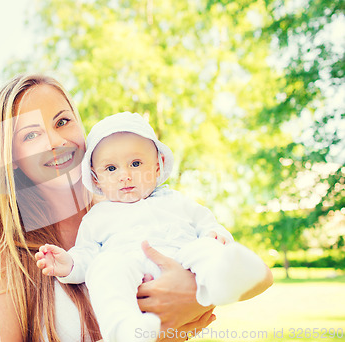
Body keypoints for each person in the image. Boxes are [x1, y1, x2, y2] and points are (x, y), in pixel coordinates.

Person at [0, 73, 229, 342]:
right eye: (31, 135)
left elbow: (237, 268)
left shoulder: (132, 214)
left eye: (62, 121)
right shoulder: (5, 257)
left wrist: (193, 292)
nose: (55, 142)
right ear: (12, 158)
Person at [35, 112, 274, 342]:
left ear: (158, 166)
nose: (125, 175)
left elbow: (207, 224)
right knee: (105, 268)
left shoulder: (176, 201)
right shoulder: (97, 217)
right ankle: (124, 326)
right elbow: (87, 254)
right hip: (131, 271)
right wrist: (69, 264)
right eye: (111, 168)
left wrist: (216, 236)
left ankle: (222, 281)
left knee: (204, 248)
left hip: (183, 261)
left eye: (136, 163)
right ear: (95, 178)